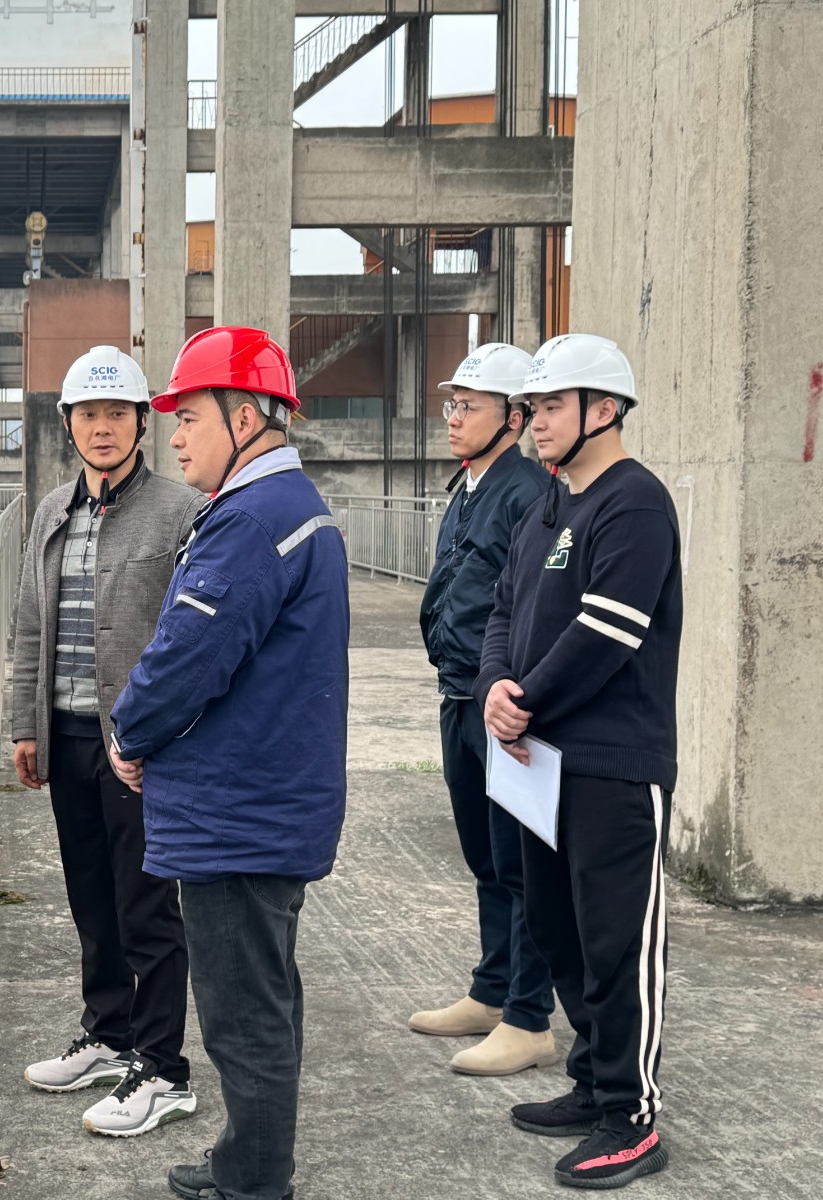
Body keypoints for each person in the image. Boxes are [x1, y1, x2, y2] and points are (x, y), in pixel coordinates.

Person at [107, 326, 348, 1200]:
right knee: (264, 1000)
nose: (174, 437)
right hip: (267, 802)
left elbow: (186, 656)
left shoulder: (250, 520)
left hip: (238, 815)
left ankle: (253, 1180)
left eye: (189, 417)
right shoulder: (290, 507)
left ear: (245, 418)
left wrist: (128, 733)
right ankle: (249, 1162)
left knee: (243, 1013)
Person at [476, 333, 681, 1190]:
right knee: (557, 931)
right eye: (532, 408)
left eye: (552, 406)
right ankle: (594, 1081)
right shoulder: (548, 507)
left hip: (613, 764)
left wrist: (524, 699)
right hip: (540, 762)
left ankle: (632, 1116)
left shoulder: (635, 504)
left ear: (605, 409)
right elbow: (503, 609)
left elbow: (608, 631)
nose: (536, 422)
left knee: (616, 944)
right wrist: (494, 686)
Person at [9, 344, 205, 1137]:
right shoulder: (52, 511)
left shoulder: (180, 511)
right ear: (68, 425)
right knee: (91, 899)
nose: (102, 427)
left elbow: (192, 634)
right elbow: (30, 622)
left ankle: (163, 1066)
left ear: (140, 423)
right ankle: (108, 1034)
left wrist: (168, 735)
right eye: (88, 414)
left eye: (116, 413)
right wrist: (25, 724)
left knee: (146, 906)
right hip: (66, 735)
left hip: (139, 746)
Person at [410, 343, 559, 1076]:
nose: (453, 416)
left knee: (521, 863)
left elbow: (534, 607)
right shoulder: (469, 485)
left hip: (502, 703)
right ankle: (492, 990)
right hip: (458, 693)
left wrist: (517, 696)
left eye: (469, 405)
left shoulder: (528, 493)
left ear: (514, 417)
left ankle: (529, 1018)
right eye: (452, 403)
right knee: (485, 857)